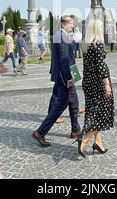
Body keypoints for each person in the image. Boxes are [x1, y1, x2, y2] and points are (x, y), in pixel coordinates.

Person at [32, 16, 81, 147]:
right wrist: (69, 78)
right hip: (64, 76)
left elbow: (67, 58)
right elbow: (65, 59)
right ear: (64, 23)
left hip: (65, 75)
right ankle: (40, 132)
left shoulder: (61, 35)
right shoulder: (62, 36)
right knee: (60, 105)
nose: (72, 25)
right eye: (71, 23)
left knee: (74, 102)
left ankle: (75, 130)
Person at [75, 19, 114, 158]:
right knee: (101, 113)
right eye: (102, 27)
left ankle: (98, 143)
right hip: (98, 82)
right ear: (97, 29)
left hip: (88, 82)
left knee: (93, 111)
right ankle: (83, 140)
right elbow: (101, 65)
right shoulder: (97, 44)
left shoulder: (85, 44)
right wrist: (107, 84)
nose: (103, 29)